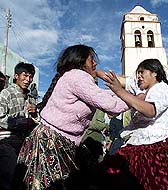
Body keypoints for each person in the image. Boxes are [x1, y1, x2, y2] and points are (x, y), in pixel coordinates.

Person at [16, 44, 129, 190]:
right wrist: (137, 99)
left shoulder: (73, 77)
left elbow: (105, 96)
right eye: (91, 60)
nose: (95, 63)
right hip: (51, 143)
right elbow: (111, 104)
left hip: (57, 140)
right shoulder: (77, 76)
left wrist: (124, 90)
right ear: (81, 61)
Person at [101, 58, 168, 190]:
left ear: (154, 73)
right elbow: (115, 79)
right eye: (137, 73)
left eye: (142, 72)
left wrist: (119, 91)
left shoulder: (161, 88)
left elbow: (150, 110)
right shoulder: (139, 88)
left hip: (157, 148)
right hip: (136, 145)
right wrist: (91, 72)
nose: (139, 76)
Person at [0, 62, 37, 190]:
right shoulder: (6, 93)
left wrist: (35, 114)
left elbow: (35, 121)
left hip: (24, 143)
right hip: (6, 140)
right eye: (25, 75)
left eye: (30, 76)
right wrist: (19, 123)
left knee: (23, 178)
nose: (28, 79)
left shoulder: (31, 98)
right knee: (9, 176)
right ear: (16, 76)